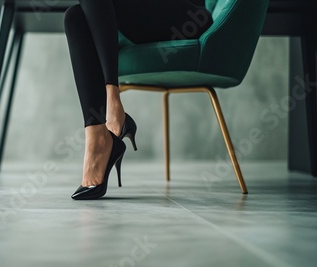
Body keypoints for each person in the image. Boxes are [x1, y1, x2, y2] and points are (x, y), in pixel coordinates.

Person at [64, 0, 213, 200]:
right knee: (74, 17)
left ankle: (112, 102)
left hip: (191, 16)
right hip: (143, 13)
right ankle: (97, 135)